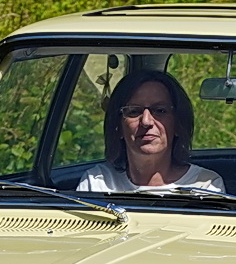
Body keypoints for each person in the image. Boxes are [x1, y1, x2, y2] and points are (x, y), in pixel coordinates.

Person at [77, 70, 225, 194]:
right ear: (118, 126)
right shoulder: (97, 183)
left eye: (160, 111)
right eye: (134, 111)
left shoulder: (205, 186)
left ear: (178, 125)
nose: (146, 121)